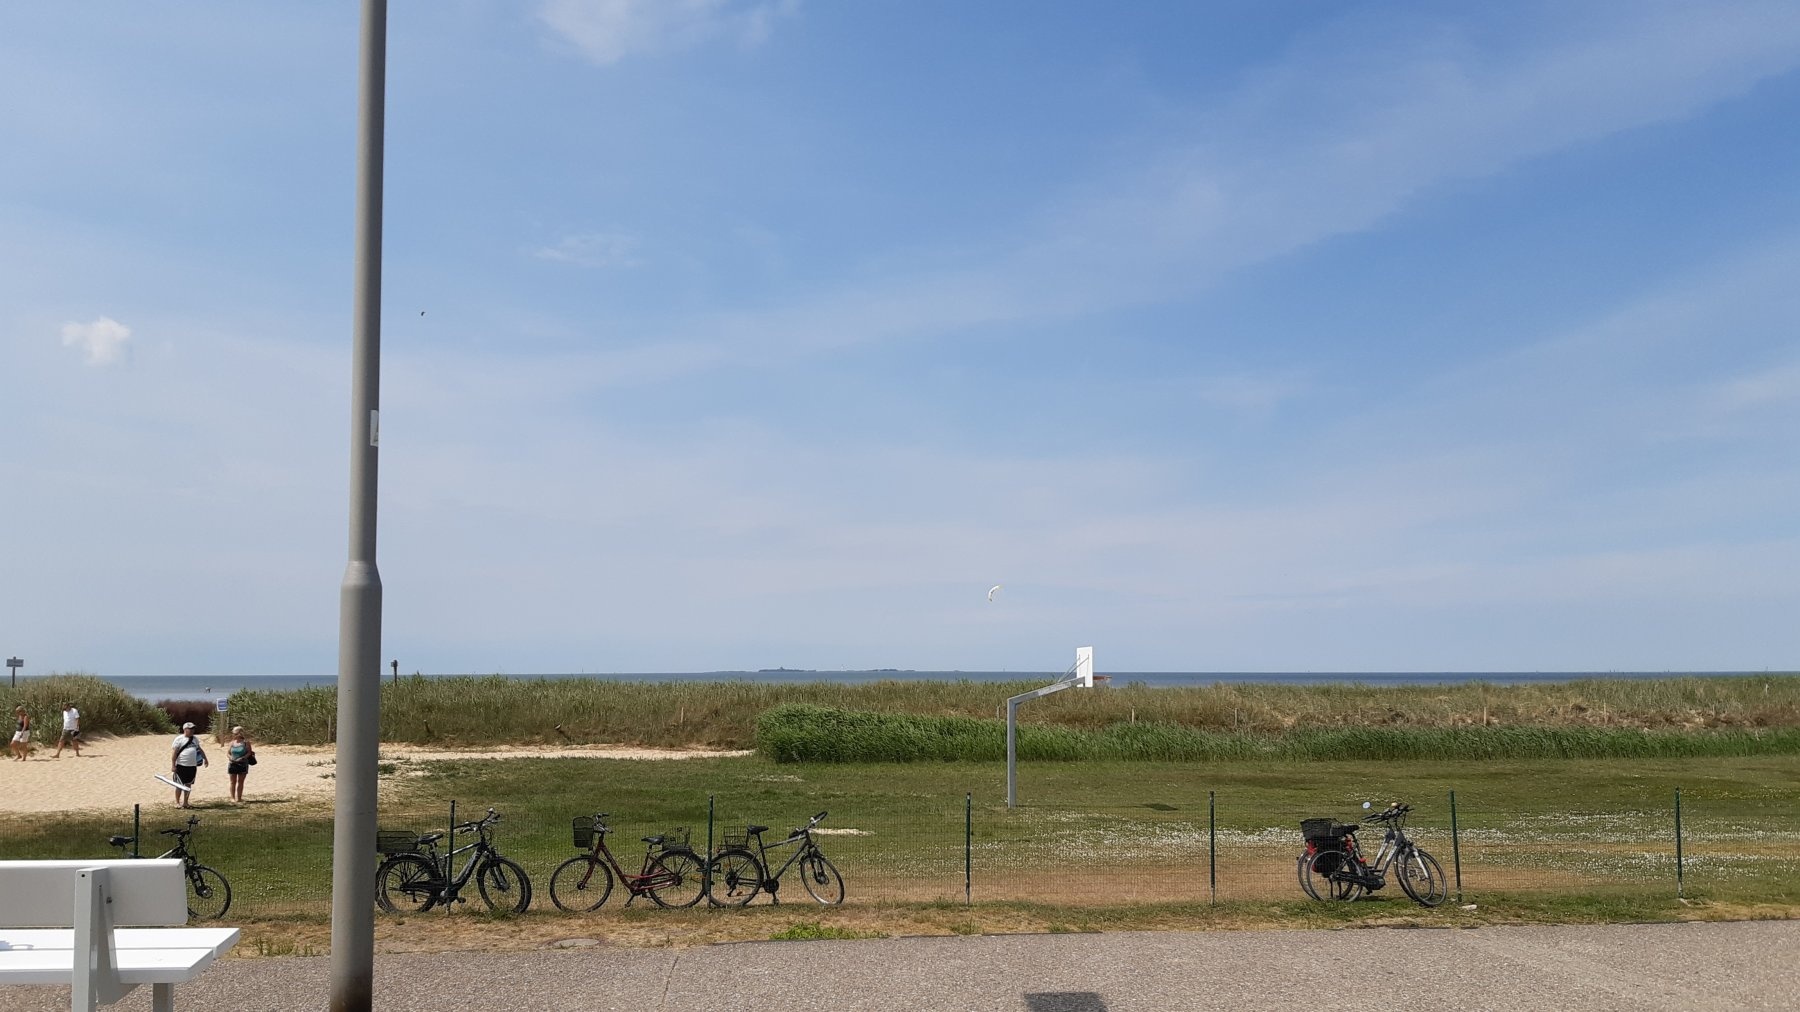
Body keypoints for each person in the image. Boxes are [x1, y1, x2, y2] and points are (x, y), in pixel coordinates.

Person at [170, 721, 208, 808]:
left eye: (193, 729)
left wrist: (205, 759)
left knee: (188, 785)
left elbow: (199, 749)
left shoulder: (195, 739)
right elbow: (174, 753)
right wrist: (173, 765)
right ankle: (177, 803)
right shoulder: (179, 739)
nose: (192, 730)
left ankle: (185, 803)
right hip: (181, 765)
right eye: (190, 729)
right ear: (185, 729)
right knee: (179, 785)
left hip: (192, 766)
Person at [225, 725, 254, 802]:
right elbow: (228, 753)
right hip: (232, 763)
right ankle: (232, 798)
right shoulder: (232, 743)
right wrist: (230, 757)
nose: (234, 735)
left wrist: (243, 758)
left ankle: (239, 798)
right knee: (232, 782)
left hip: (242, 763)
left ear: (240, 733)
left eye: (235, 733)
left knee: (240, 782)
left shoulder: (246, 743)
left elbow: (249, 752)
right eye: (233, 733)